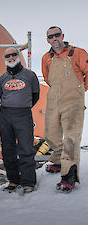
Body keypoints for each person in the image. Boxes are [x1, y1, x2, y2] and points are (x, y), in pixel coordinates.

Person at [42, 26, 88, 192]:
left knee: (71, 137)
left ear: (63, 36)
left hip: (73, 100)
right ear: (47, 40)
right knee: (50, 133)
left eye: (57, 35)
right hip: (54, 98)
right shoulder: (46, 57)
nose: (55, 39)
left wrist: (79, 90)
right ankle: (58, 160)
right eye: (50, 37)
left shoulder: (78, 53)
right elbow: (47, 78)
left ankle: (68, 174)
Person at [0, 47, 40, 194]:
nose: (11, 58)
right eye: (7, 56)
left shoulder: (30, 75)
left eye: (13, 54)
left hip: (23, 114)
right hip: (5, 114)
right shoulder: (2, 78)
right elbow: (1, 94)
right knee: (8, 149)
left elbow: (35, 95)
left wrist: (22, 106)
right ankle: (13, 180)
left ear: (18, 56)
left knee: (26, 148)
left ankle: (28, 182)